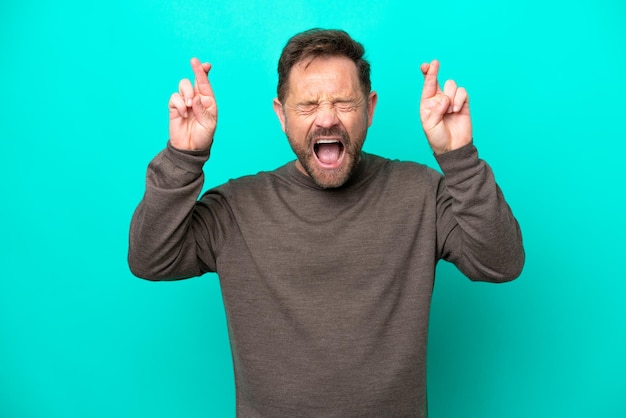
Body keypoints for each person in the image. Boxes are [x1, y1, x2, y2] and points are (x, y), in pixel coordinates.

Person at [128, 28, 524, 417]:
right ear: (281, 115)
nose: (327, 119)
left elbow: (501, 262)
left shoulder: (421, 193)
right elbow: (151, 258)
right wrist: (183, 157)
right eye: (308, 105)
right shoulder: (235, 208)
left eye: (344, 103)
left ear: (370, 109)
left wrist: (460, 158)